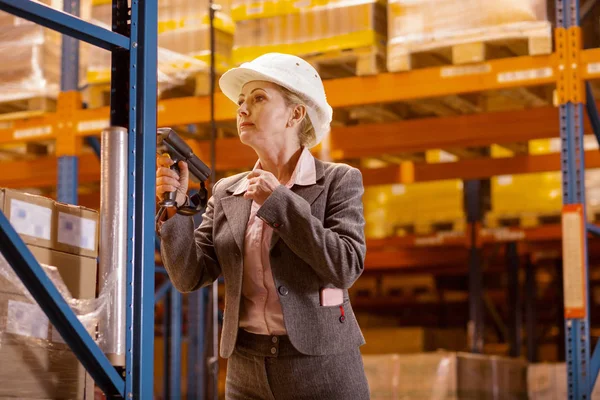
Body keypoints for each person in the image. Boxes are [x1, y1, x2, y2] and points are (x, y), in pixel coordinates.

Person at [156, 52, 370, 400]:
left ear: (295, 114)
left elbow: (344, 266)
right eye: (241, 101)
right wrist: (175, 212)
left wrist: (279, 202)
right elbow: (188, 277)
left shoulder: (338, 182)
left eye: (258, 99)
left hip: (321, 368)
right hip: (247, 370)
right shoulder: (229, 191)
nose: (242, 109)